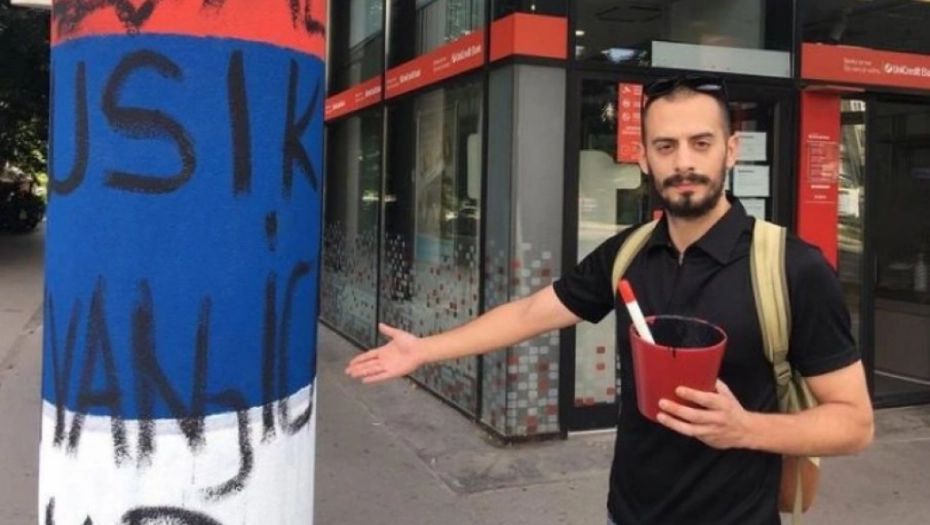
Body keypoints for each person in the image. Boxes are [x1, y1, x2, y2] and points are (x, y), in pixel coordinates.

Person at [346, 74, 874, 524]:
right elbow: (530, 313)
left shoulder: (791, 268)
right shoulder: (628, 254)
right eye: (665, 146)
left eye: (701, 143)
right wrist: (425, 350)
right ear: (643, 158)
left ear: (730, 150)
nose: (683, 162)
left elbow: (854, 423)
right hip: (626, 514)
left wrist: (744, 428)